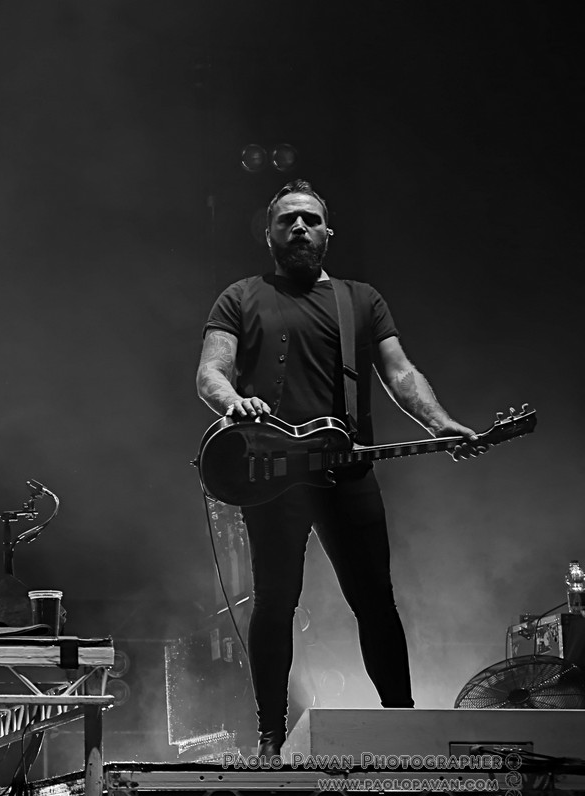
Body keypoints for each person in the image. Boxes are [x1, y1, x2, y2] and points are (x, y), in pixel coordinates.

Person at [194, 179, 484, 756]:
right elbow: (211, 372)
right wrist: (234, 402)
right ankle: (270, 740)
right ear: (269, 234)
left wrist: (438, 421)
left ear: (329, 232)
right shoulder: (240, 296)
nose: (299, 228)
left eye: (310, 219)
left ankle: (403, 730)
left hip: (346, 468)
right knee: (274, 601)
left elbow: (399, 372)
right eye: (287, 220)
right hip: (273, 474)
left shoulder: (360, 300)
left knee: (375, 600)